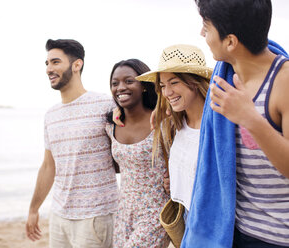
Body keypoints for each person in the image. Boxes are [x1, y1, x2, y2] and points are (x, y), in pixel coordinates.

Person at [182, 1, 289, 247]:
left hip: (277, 238)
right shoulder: (225, 77)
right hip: (234, 232)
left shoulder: (283, 81)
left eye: (206, 28)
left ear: (230, 42)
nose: (202, 34)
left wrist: (250, 118)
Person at [26, 39, 119, 248]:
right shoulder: (51, 115)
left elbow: (127, 149)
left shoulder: (105, 105)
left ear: (77, 64)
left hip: (96, 216)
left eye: (56, 62)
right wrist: (34, 209)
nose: (49, 69)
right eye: (47, 63)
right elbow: (49, 166)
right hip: (59, 216)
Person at [135, 44, 212, 220]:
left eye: (174, 82)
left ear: (195, 81)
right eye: (162, 85)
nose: (167, 92)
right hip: (186, 217)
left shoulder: (217, 125)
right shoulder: (176, 124)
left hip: (209, 222)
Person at [106, 59, 170, 247]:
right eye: (115, 83)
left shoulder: (164, 122)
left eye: (129, 81)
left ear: (143, 85)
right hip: (124, 211)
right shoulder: (111, 127)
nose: (120, 87)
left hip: (155, 212)